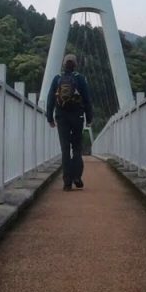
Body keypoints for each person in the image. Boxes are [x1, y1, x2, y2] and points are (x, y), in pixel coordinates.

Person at [46, 54, 93, 191]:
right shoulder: (80, 79)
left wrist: (50, 118)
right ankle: (77, 177)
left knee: (65, 149)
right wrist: (89, 118)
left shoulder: (57, 79)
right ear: (75, 65)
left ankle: (67, 182)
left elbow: (50, 100)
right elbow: (87, 100)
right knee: (77, 148)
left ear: (63, 64)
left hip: (61, 117)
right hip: (77, 116)